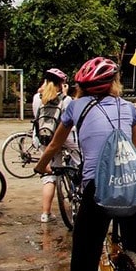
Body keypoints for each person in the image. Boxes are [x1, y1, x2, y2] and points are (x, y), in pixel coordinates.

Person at [34, 56, 136, 271]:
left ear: (81, 86)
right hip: (135, 185)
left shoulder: (75, 107)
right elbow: (134, 150)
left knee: (85, 254)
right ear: (114, 83)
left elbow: (55, 145)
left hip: (97, 188)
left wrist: (40, 166)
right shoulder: (128, 108)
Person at [32, 68, 77, 223]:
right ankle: (79, 195)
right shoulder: (66, 100)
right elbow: (71, 122)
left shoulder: (37, 98)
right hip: (65, 138)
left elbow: (36, 118)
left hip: (45, 138)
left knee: (49, 175)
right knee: (81, 163)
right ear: (61, 84)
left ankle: (46, 213)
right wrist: (65, 95)